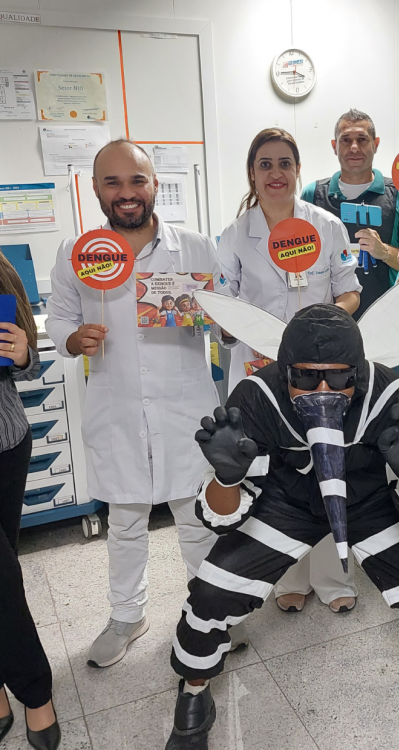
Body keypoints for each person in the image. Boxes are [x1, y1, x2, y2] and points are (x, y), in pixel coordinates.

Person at [164, 304, 399, 750]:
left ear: (358, 371)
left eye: (339, 378)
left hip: (371, 502)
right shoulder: (257, 397)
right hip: (286, 502)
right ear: (284, 370)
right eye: (304, 376)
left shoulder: (392, 396)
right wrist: (226, 478)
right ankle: (194, 692)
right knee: (211, 593)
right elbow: (223, 515)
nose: (322, 389)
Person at [46, 139, 235, 669]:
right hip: (118, 408)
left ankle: (210, 613)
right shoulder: (78, 253)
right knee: (125, 522)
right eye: (113, 182)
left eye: (136, 181)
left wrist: (224, 323)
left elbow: (226, 313)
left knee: (196, 518)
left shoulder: (195, 247)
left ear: (154, 185)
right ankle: (127, 616)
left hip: (184, 408)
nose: (126, 192)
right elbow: (59, 316)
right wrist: (72, 338)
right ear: (96, 189)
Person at [218, 127, 362, 616]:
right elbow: (223, 303)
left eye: (285, 163)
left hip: (319, 371)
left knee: (327, 464)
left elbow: (349, 291)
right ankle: (288, 575)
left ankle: (333, 575)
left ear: (298, 170)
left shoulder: (327, 226)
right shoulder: (235, 235)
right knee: (277, 471)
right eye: (265, 164)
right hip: (259, 368)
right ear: (252, 173)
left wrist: (322, 324)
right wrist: (230, 326)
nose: (275, 173)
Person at [0, 251, 61, 750]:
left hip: (4, 444)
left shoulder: (1, 271)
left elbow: (31, 362)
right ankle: (35, 692)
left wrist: (22, 354)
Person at [301, 108, 399, 319]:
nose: (354, 147)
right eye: (345, 140)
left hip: (387, 317)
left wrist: (383, 251)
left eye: (362, 139)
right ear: (334, 146)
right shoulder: (313, 194)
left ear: (375, 144)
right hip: (328, 319)